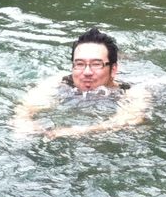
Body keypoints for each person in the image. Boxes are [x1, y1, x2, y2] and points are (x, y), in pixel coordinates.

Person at [13, 27, 150, 138]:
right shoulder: (59, 82)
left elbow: (130, 119)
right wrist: (25, 123)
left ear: (113, 69)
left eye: (96, 64)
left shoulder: (132, 91)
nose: (87, 72)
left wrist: (78, 131)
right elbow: (25, 109)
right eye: (79, 64)